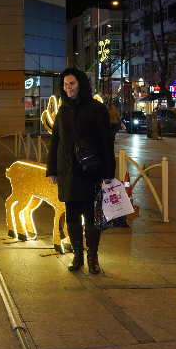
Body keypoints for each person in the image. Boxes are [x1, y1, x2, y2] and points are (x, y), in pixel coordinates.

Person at [46, 68, 116, 275]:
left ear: (82, 84)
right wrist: (52, 170)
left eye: (72, 83)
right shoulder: (63, 110)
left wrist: (108, 173)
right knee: (72, 216)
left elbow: (106, 142)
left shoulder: (96, 109)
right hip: (68, 172)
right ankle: (77, 254)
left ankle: (92, 256)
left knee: (92, 216)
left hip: (90, 172)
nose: (68, 88)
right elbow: (55, 141)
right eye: (65, 84)